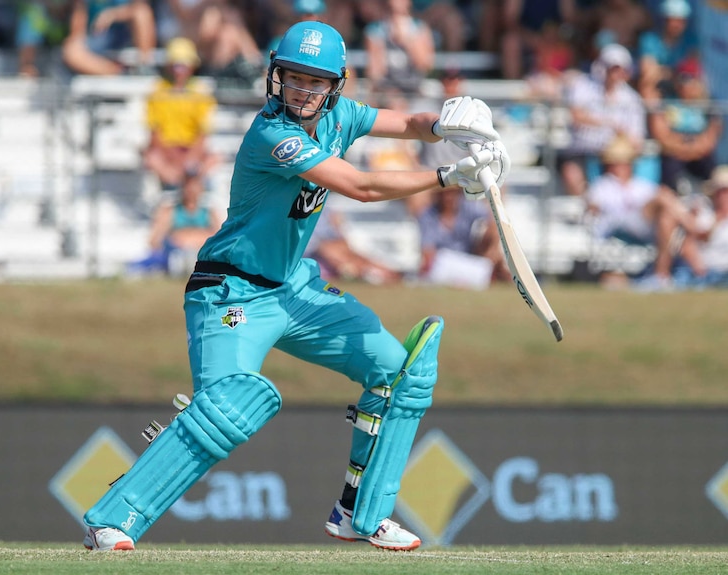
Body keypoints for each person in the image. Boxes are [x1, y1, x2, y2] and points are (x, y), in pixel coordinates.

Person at [81, 21, 509, 552]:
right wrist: (448, 177)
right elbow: (361, 186)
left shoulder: (342, 115)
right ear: (274, 77)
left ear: (335, 85)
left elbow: (409, 123)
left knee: (399, 373)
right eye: (293, 78)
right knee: (227, 408)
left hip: (293, 289)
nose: (303, 91)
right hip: (230, 293)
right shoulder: (271, 134)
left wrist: (453, 123)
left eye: (316, 82)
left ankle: (360, 513)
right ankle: (114, 520)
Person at [585, 134, 705, 291]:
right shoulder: (602, 186)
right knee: (663, 195)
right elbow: (593, 211)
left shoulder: (640, 185)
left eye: (624, 162)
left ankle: (661, 275)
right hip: (619, 225)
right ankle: (692, 225)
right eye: (617, 162)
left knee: (666, 218)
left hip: (646, 227)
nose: (621, 166)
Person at [560, 43, 646, 197]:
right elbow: (576, 115)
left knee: (622, 171)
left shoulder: (632, 99)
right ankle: (587, 208)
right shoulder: (583, 86)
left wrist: (620, 142)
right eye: (612, 68)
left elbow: (637, 140)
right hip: (582, 151)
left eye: (620, 69)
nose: (616, 73)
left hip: (613, 158)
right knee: (571, 173)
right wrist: (609, 124)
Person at [142, 37, 219, 191]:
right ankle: (182, 191)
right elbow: (155, 135)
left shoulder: (201, 92)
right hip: (166, 155)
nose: (179, 70)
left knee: (215, 159)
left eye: (183, 65)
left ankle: (187, 195)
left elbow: (202, 135)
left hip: (191, 153)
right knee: (152, 159)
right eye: (176, 65)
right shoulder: (157, 91)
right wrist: (174, 159)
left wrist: (188, 159)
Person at [126, 167, 223, 276]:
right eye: (188, 185)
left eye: (195, 185)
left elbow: (220, 240)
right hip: (175, 254)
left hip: (200, 255)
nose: (191, 190)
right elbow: (154, 239)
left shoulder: (210, 213)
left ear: (201, 188)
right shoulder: (170, 211)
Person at [648, 57, 722, 194]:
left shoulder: (708, 103)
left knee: (714, 174)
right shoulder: (665, 101)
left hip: (699, 153)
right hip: (674, 152)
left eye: (688, 79)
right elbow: (660, 134)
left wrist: (692, 149)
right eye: (681, 79)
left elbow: (711, 138)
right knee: (669, 172)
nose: (684, 85)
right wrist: (684, 149)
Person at [416, 186, 510, 287]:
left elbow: (493, 221)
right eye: (444, 193)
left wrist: (491, 249)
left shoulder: (468, 208)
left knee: (495, 257)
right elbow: (428, 252)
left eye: (452, 193)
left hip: (469, 258)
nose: (448, 197)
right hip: (443, 262)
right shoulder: (427, 215)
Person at [363, 0, 435, 100]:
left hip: (413, 90)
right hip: (387, 90)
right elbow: (374, 72)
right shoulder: (375, 30)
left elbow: (425, 65)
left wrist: (406, 41)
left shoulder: (419, 28)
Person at [61, 0, 156, 76]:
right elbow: (79, 21)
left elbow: (139, 7)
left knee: (142, 12)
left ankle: (145, 66)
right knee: (71, 51)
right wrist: (76, 40)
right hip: (97, 38)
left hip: (126, 34)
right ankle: (120, 73)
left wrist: (113, 15)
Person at [637, 0, 698, 103]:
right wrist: (676, 73)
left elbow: (692, 71)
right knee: (647, 89)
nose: (677, 25)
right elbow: (647, 73)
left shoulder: (691, 40)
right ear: (665, 20)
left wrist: (662, 72)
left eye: (681, 21)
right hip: (658, 88)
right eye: (673, 20)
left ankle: (689, 117)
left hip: (680, 87)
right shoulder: (649, 39)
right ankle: (656, 117)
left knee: (695, 88)